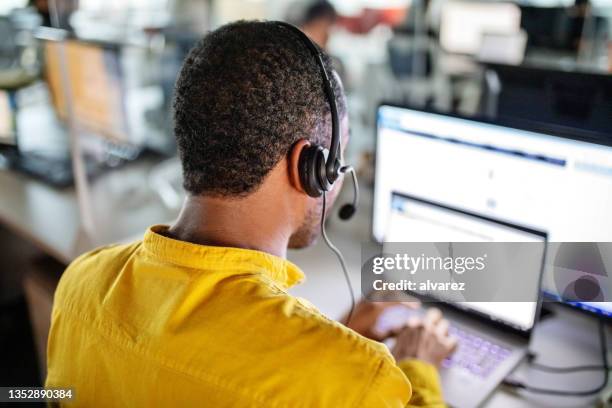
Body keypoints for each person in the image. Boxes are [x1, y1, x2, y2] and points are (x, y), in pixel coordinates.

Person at [45, 21, 456, 407]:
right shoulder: (359, 381)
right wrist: (417, 366)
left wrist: (334, 340)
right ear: (309, 167)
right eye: (338, 157)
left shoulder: (81, 280)